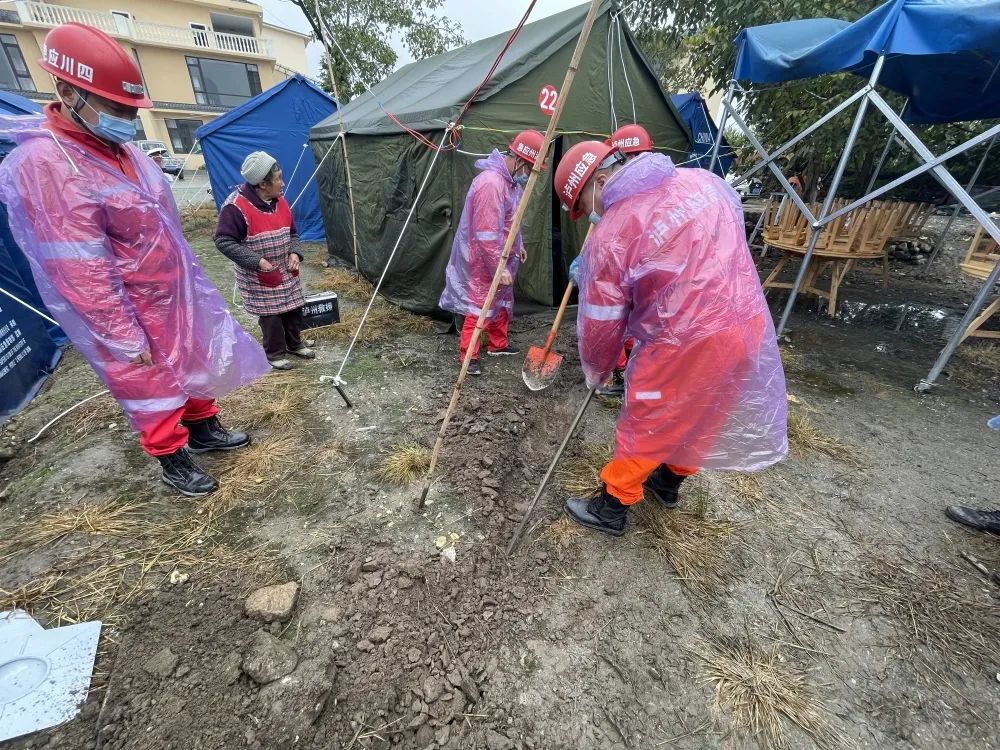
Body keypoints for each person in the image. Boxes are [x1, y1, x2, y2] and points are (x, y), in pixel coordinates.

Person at [0, 22, 269, 497]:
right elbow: (79, 267)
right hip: (124, 304)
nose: (127, 115)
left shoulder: (126, 152)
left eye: (131, 107)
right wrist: (119, 331)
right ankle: (172, 457)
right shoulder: (51, 165)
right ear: (68, 91)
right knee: (149, 381)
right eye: (117, 106)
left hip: (171, 290)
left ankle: (203, 429)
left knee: (192, 359)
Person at [553, 140, 788, 535]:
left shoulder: (614, 231)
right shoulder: (701, 182)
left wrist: (597, 369)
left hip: (687, 340)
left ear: (603, 180)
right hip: (746, 320)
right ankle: (667, 482)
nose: (590, 216)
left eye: (585, 205)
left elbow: (601, 323)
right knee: (705, 409)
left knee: (648, 413)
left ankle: (612, 505)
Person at [439, 130, 545, 376]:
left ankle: (498, 344)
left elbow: (510, 221)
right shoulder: (491, 183)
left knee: (502, 300)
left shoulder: (509, 183)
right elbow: (486, 233)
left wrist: (519, 245)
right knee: (481, 303)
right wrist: (499, 265)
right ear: (520, 161)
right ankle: (469, 356)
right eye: (529, 169)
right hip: (484, 257)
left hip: (503, 255)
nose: (529, 176)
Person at [214, 151, 312, 371]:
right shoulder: (235, 207)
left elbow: (293, 234)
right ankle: (275, 353)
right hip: (260, 273)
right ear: (262, 184)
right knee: (272, 317)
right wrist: (257, 261)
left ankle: (294, 344)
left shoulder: (281, 201)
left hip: (286, 269)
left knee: (293, 309)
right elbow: (223, 241)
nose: (282, 183)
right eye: (278, 178)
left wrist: (295, 253)